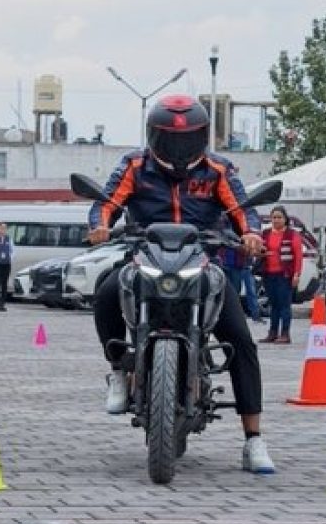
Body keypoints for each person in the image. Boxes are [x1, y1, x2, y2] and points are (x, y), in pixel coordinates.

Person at [88, 94, 274, 474]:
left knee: (241, 340)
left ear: (201, 137)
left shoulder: (218, 169)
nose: (177, 147)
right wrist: (100, 226)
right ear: (153, 136)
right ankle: (120, 370)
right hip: (145, 257)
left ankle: (253, 439)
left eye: (186, 139)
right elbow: (106, 203)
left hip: (202, 262)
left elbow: (242, 209)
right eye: (170, 139)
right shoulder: (134, 165)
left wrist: (252, 233)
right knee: (106, 293)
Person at [258, 206, 302, 344]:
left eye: (279, 217)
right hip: (268, 274)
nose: (276, 220)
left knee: (284, 305)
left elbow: (298, 256)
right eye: (274, 217)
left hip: (285, 274)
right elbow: (258, 251)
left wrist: (296, 275)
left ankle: (285, 333)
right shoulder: (265, 233)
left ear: (285, 219)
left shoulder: (292, 234)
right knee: (273, 305)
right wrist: (261, 253)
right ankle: (273, 332)